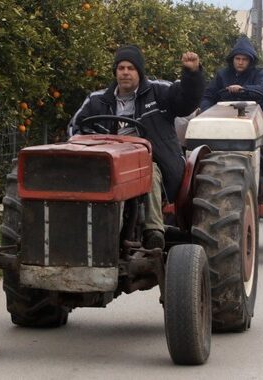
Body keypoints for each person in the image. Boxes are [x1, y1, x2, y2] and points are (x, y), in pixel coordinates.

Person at [68, 45, 204, 250]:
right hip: (106, 162)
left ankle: (154, 232)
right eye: (121, 67)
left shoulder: (159, 92)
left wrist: (191, 74)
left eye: (130, 68)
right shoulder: (97, 101)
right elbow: (74, 128)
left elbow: (186, 101)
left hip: (152, 160)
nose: (125, 72)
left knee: (148, 171)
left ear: (139, 71)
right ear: (115, 72)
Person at [200, 35, 263, 178]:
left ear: (250, 61)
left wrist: (243, 89)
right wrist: (205, 112)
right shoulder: (222, 74)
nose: (240, 62)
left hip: (257, 113)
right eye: (237, 59)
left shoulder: (259, 74)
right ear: (232, 59)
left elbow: (262, 89)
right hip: (225, 115)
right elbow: (208, 96)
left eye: (244, 59)